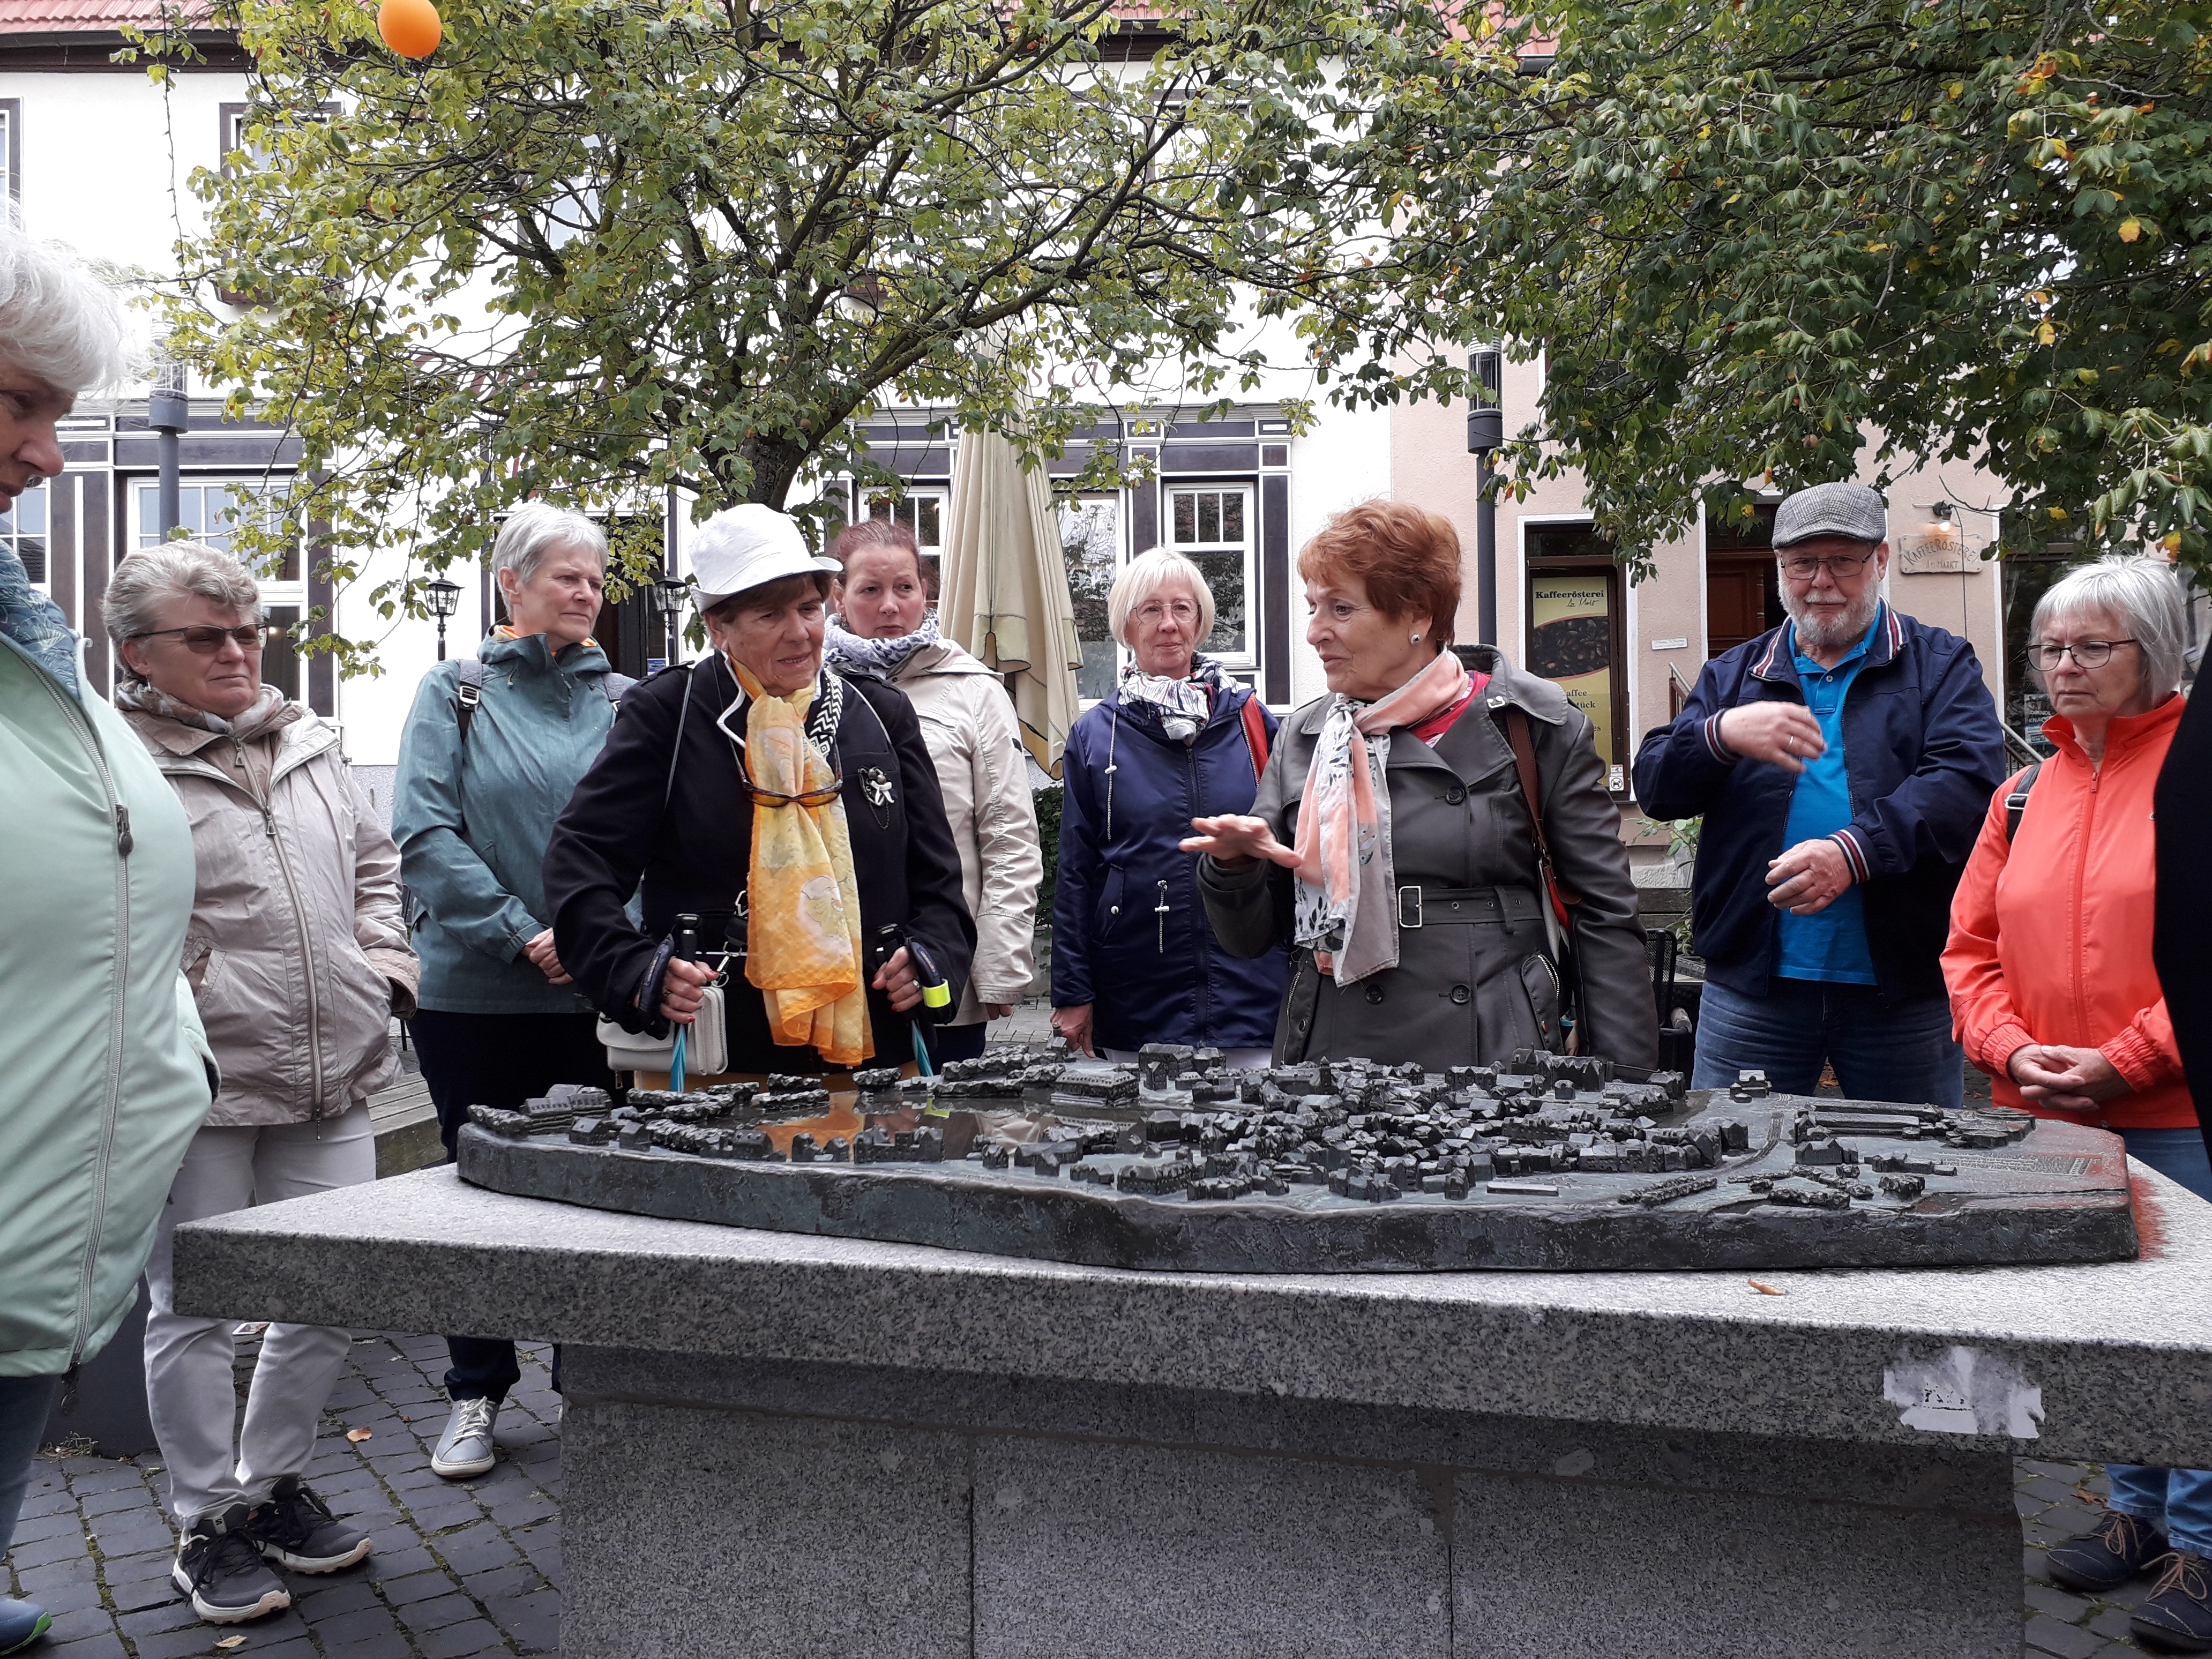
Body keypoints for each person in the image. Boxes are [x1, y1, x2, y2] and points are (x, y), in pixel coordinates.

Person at [108, 541, 417, 1627]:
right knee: (192, 1309)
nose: (239, 651)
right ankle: (206, 1521)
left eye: (248, 631)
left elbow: (378, 868)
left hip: (336, 1061)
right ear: (140, 654)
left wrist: (382, 969)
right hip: (197, 1078)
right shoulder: (110, 760)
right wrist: (182, 996)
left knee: (333, 1289)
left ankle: (270, 1486)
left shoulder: (312, 741)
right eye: (209, 636)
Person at [0, 226, 215, 1658]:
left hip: (50, 1189)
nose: (48, 454)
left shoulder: (26, 620)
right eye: (19, 403)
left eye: (60, 413)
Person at [1944, 556, 2211, 1650]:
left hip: (2176, 1111)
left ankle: (2202, 1545)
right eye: (2050, 648)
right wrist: (2013, 1047)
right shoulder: (2023, 790)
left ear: (2156, 651)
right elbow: (1969, 948)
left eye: (2091, 646)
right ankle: (2136, 1515)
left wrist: (2127, 1060)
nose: (2063, 666)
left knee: (2195, 1332)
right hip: (2049, 1110)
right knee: (2106, 1325)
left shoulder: (2194, 772)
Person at [1190, 500, 1656, 1072]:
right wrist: (1234, 869)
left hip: (1490, 1050)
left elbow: (1604, 914)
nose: (1314, 632)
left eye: (1340, 608)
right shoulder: (1305, 738)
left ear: (1418, 615)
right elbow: (1251, 940)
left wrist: (1628, 1083)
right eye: (1313, 608)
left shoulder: (1533, 724)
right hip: (1333, 1051)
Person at [545, 504, 975, 1078]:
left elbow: (938, 880)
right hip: (720, 1063)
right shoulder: (669, 714)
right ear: (719, 627)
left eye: (809, 608)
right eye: (770, 615)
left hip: (874, 1053)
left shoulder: (880, 713)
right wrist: (633, 970)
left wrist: (928, 956)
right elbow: (580, 863)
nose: (799, 632)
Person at [1634, 481, 2005, 1107]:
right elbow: (1655, 787)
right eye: (1802, 563)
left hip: (1902, 986)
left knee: (1916, 1178)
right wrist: (1717, 735)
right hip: (1754, 988)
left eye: (1843, 561)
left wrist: (1852, 853)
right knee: (1731, 1175)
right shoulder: (1736, 676)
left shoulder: (1939, 664)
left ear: (1881, 561)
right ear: (1781, 569)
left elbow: (1966, 785)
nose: (1821, 581)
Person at [393, 501, 622, 1483]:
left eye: (594, 578)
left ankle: (591, 1385)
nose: (584, 592)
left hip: (594, 1000)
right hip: (474, 997)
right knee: (474, 1191)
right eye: (564, 575)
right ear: (511, 586)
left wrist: (601, 940)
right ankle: (477, 1389)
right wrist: (522, 933)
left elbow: (649, 835)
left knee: (598, 1196)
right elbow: (424, 834)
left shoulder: (623, 699)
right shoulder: (455, 693)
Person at [1051, 548, 1288, 1065]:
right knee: (1141, 1142)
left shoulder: (1253, 723)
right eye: (1150, 610)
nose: (1168, 625)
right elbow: (1076, 871)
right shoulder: (1096, 735)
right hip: (1136, 998)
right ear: (1126, 626)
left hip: (1250, 996)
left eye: (1182, 609)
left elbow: (1289, 848)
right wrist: (1072, 991)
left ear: (1200, 621)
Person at [825, 516, 1040, 1064]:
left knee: (945, 1134)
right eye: (870, 591)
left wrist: (998, 967)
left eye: (904, 588)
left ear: (926, 591)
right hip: (831, 971)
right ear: (840, 598)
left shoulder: (973, 691)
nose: (891, 606)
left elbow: (1009, 835)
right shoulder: (808, 686)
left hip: (944, 964)